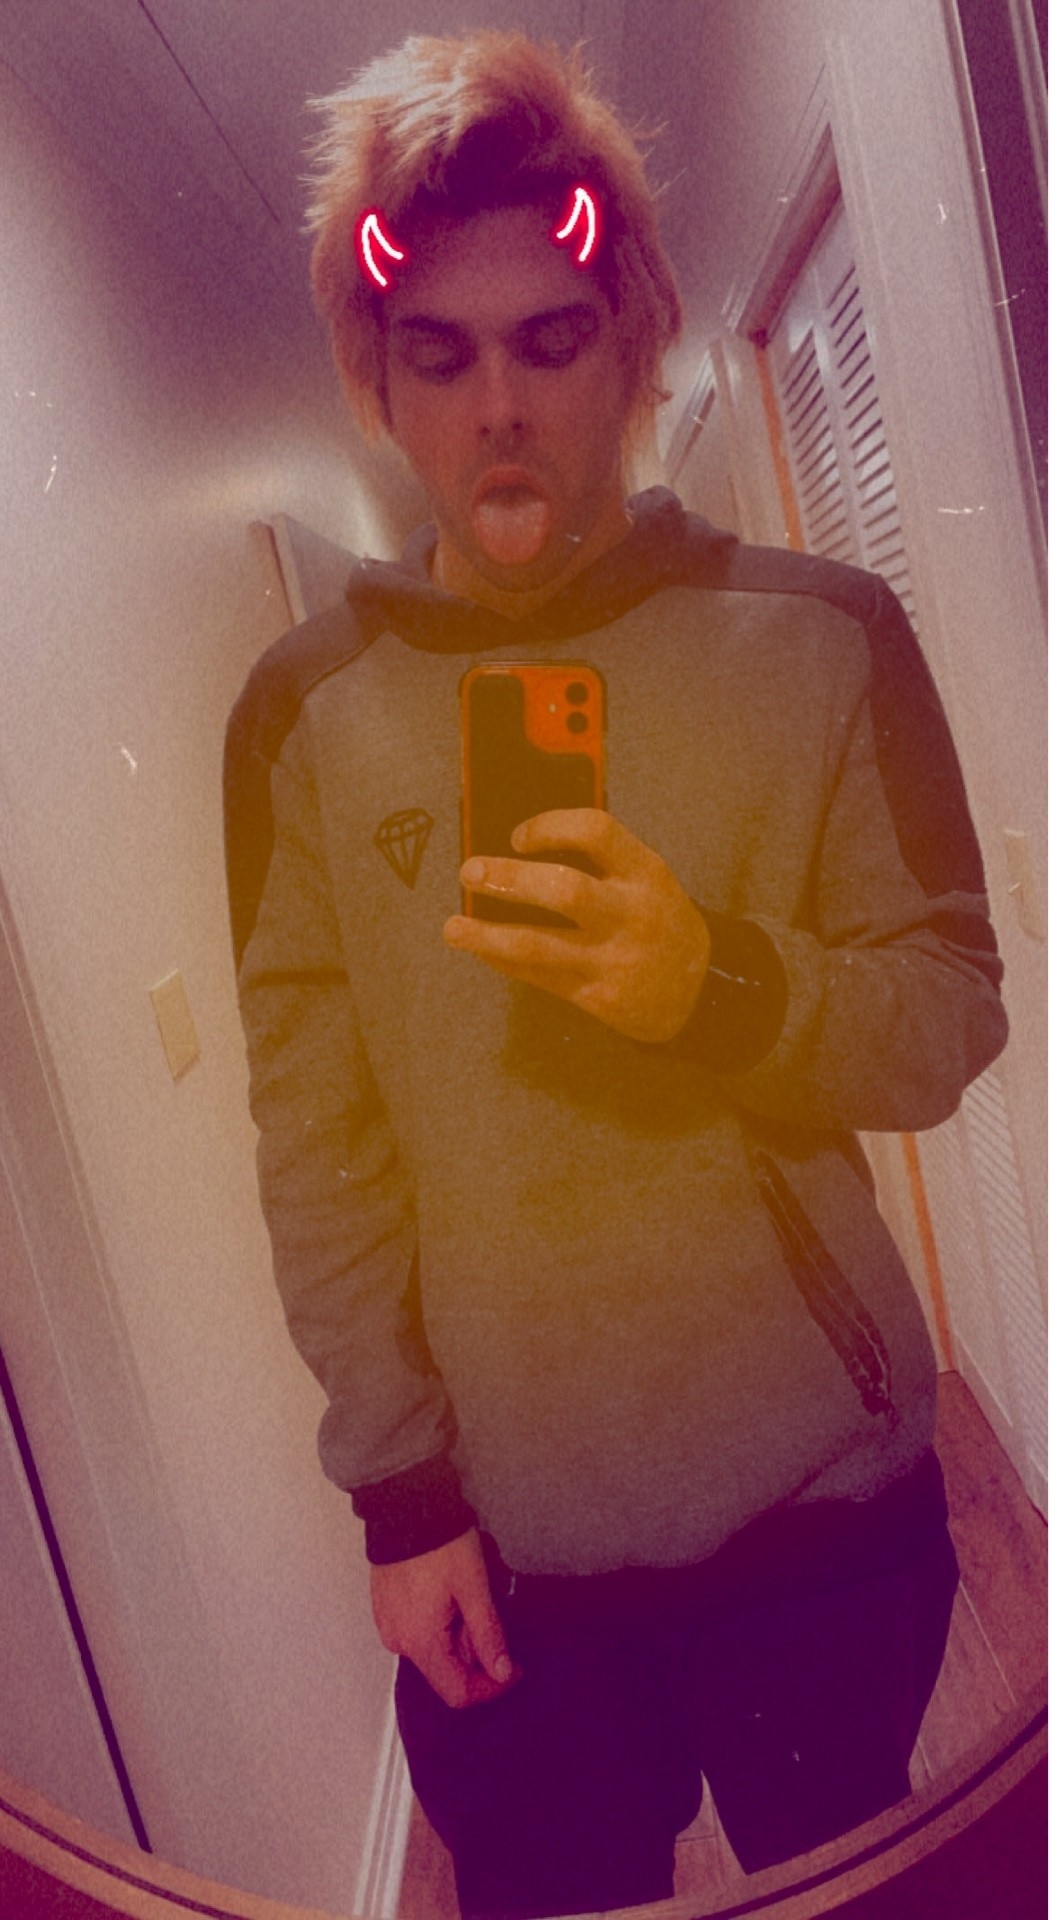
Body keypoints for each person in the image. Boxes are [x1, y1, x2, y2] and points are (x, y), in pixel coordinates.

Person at [223, 31, 1008, 1920]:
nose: (500, 407)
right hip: (511, 1549)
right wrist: (400, 1500)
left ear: (636, 343)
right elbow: (318, 1146)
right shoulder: (302, 715)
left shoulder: (823, 637)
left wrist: (711, 988)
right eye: (440, 354)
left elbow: (945, 1015)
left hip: (819, 1503)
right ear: (378, 382)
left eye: (552, 339)